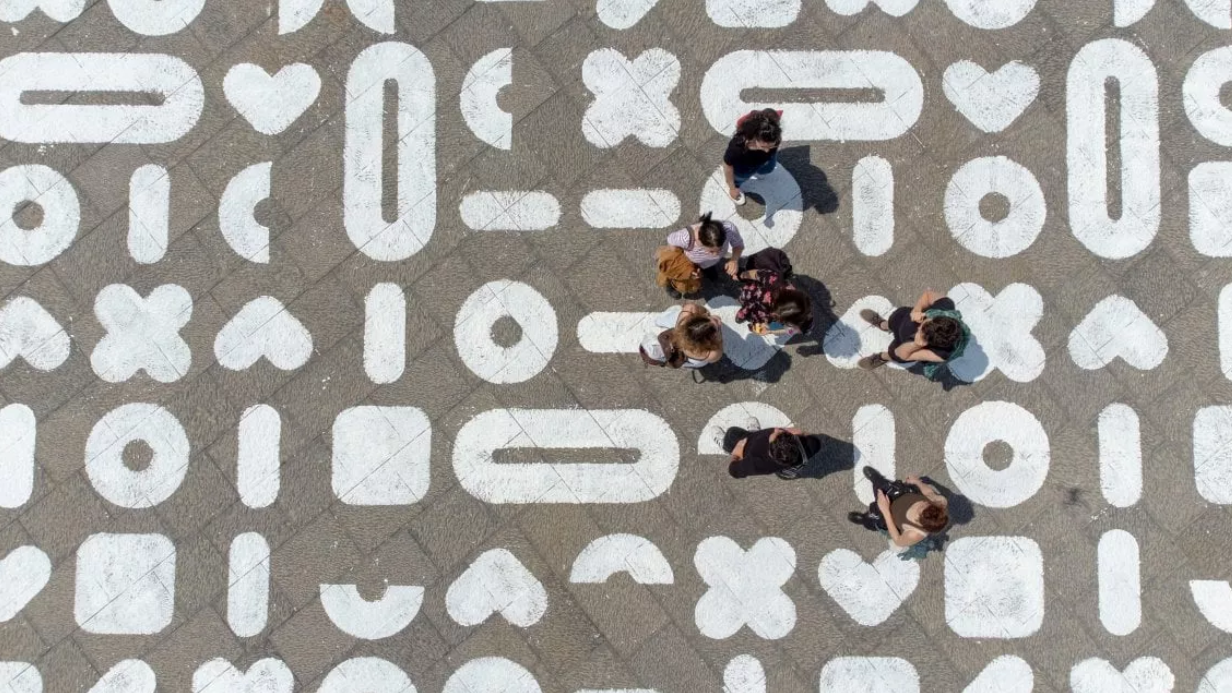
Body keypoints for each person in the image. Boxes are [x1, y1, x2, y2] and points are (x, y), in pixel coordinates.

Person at [857, 289, 968, 373]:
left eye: (921, 333)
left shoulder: (941, 354)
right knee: (894, 320)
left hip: (905, 345)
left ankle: (882, 357)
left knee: (893, 353)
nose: (918, 328)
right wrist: (916, 311)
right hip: (903, 318)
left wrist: (915, 344)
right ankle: (884, 325)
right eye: (925, 323)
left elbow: (902, 354)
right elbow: (928, 295)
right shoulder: (946, 306)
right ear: (936, 318)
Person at [848, 467, 949, 550]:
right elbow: (929, 493)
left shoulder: (915, 533)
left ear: (921, 521)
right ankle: (876, 479)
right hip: (900, 495)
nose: (923, 502)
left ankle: (865, 520)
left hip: (889, 514)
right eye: (927, 503)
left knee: (874, 518)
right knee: (883, 485)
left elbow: (898, 540)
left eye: (921, 509)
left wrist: (886, 511)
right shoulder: (940, 502)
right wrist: (917, 482)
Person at [735, 248, 812, 338]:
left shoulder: (802, 316)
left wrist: (769, 331)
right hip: (756, 291)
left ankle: (748, 310)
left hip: (765, 308)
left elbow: (791, 330)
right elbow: (756, 274)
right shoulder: (774, 281)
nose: (775, 318)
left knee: (760, 314)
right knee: (749, 298)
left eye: (779, 319)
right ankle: (746, 307)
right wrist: (741, 276)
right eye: (778, 317)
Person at [664, 212, 744, 294]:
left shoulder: (729, 229)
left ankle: (708, 272)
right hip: (689, 262)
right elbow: (671, 242)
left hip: (706, 263)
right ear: (699, 240)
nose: (716, 254)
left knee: (709, 269)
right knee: (676, 276)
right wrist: (686, 268)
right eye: (711, 251)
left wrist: (734, 259)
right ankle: (672, 286)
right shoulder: (684, 238)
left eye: (720, 248)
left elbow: (738, 245)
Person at [717, 419, 824, 479]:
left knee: (732, 434)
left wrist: (736, 454)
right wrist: (801, 433)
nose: (777, 429)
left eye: (778, 434)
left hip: (746, 445)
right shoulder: (810, 445)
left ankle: (725, 446)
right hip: (784, 465)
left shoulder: (755, 461)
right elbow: (815, 441)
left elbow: (733, 471)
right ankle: (753, 433)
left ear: (770, 450)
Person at [723, 109, 782, 206]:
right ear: (754, 137)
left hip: (760, 163)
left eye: (772, 146)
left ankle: (761, 171)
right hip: (745, 167)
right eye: (763, 147)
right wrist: (732, 188)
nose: (767, 151)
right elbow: (727, 165)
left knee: (768, 168)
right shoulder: (737, 147)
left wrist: (770, 148)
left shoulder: (773, 134)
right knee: (739, 178)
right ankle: (736, 185)